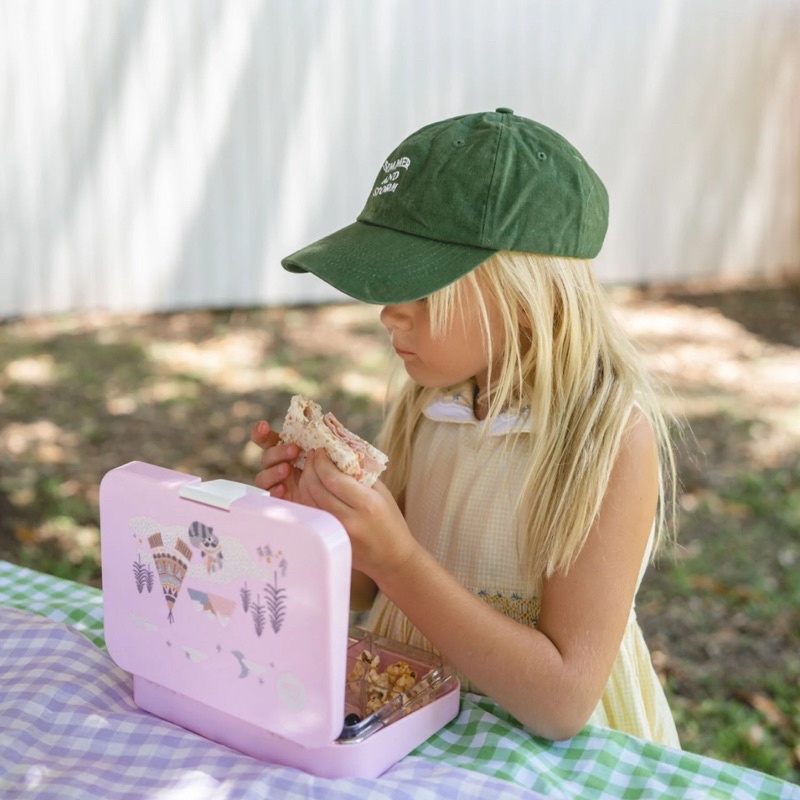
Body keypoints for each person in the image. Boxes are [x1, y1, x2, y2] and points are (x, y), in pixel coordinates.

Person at [251, 108, 680, 746]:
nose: (390, 314)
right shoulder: (427, 405)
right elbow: (365, 586)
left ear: (530, 297)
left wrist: (399, 560)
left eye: (420, 289)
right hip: (410, 724)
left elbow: (561, 703)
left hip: (536, 760)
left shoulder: (606, 440)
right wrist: (321, 521)